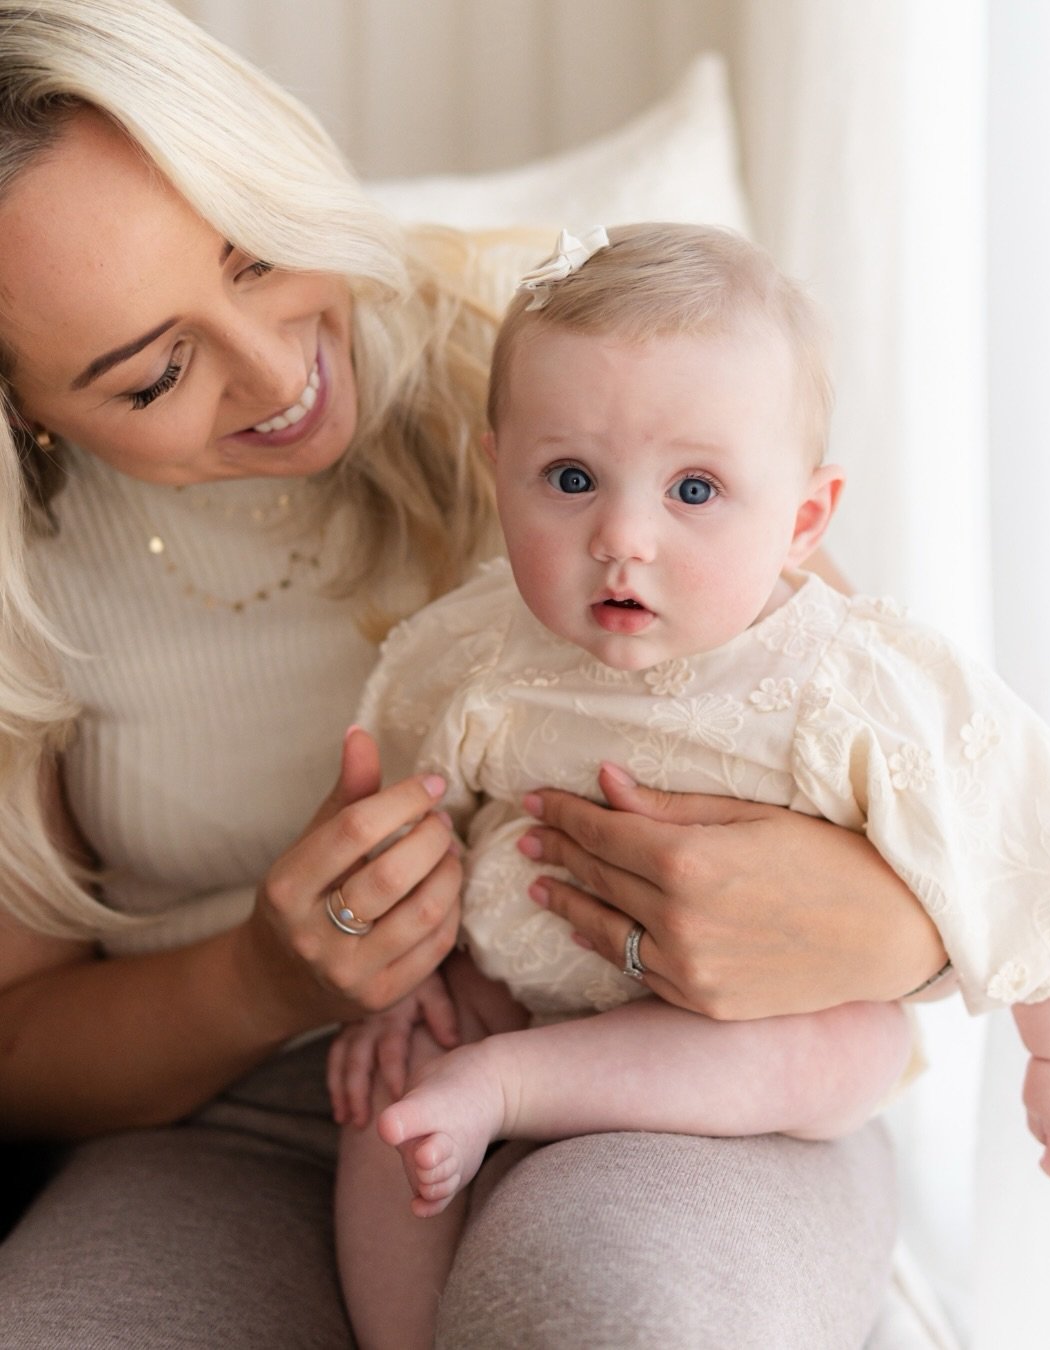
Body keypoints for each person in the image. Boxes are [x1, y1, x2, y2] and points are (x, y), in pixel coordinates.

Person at [0, 3, 952, 1348]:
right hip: (242, 1122)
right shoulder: (24, 582)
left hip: (671, 1066)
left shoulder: (557, 366)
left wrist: (890, 927)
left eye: (261, 254)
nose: (276, 371)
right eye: (154, 376)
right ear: (26, 401)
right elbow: (18, 1043)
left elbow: (884, 730)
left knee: (613, 1309)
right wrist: (270, 983)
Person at [328, 223, 1050, 1349]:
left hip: (742, 1038)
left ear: (804, 520)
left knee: (850, 1044)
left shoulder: (848, 676)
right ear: (500, 473)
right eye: (570, 478)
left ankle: (513, 1090)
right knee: (385, 1108)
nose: (622, 538)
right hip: (510, 994)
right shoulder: (476, 651)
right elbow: (389, 827)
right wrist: (395, 986)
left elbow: (1019, 829)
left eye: (695, 489)